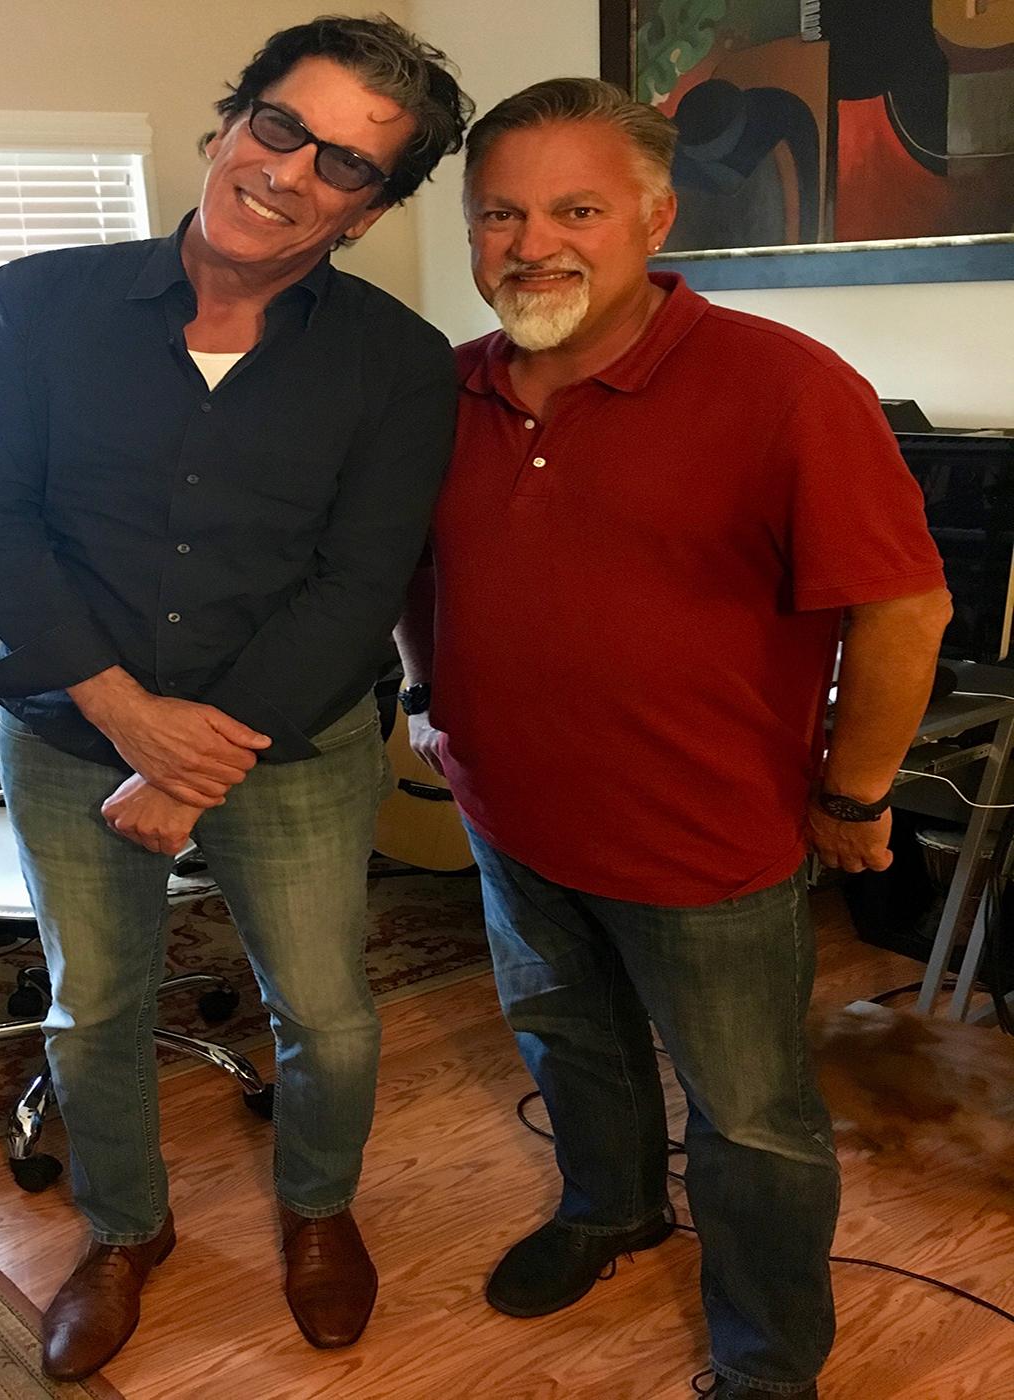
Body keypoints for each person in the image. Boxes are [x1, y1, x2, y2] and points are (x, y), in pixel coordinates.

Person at [395, 78, 951, 1400]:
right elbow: (417, 572)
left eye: (577, 211)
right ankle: (613, 1209)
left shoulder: (786, 386)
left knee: (750, 1118)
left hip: (705, 842)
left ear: (655, 219)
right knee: (566, 1040)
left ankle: (766, 1363)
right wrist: (426, 699)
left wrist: (856, 794)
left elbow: (904, 607)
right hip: (510, 815)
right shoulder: (442, 391)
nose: (533, 244)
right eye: (501, 215)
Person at [0, 14, 470, 1382]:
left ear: (370, 213)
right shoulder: (37, 303)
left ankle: (320, 1212)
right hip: (71, 735)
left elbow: (358, 585)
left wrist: (190, 765)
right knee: (93, 1010)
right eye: (281, 126)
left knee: (328, 1012)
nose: (292, 172)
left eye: (347, 165)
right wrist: (128, 717)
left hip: (293, 749)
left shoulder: (400, 363)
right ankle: (124, 1232)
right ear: (229, 124)